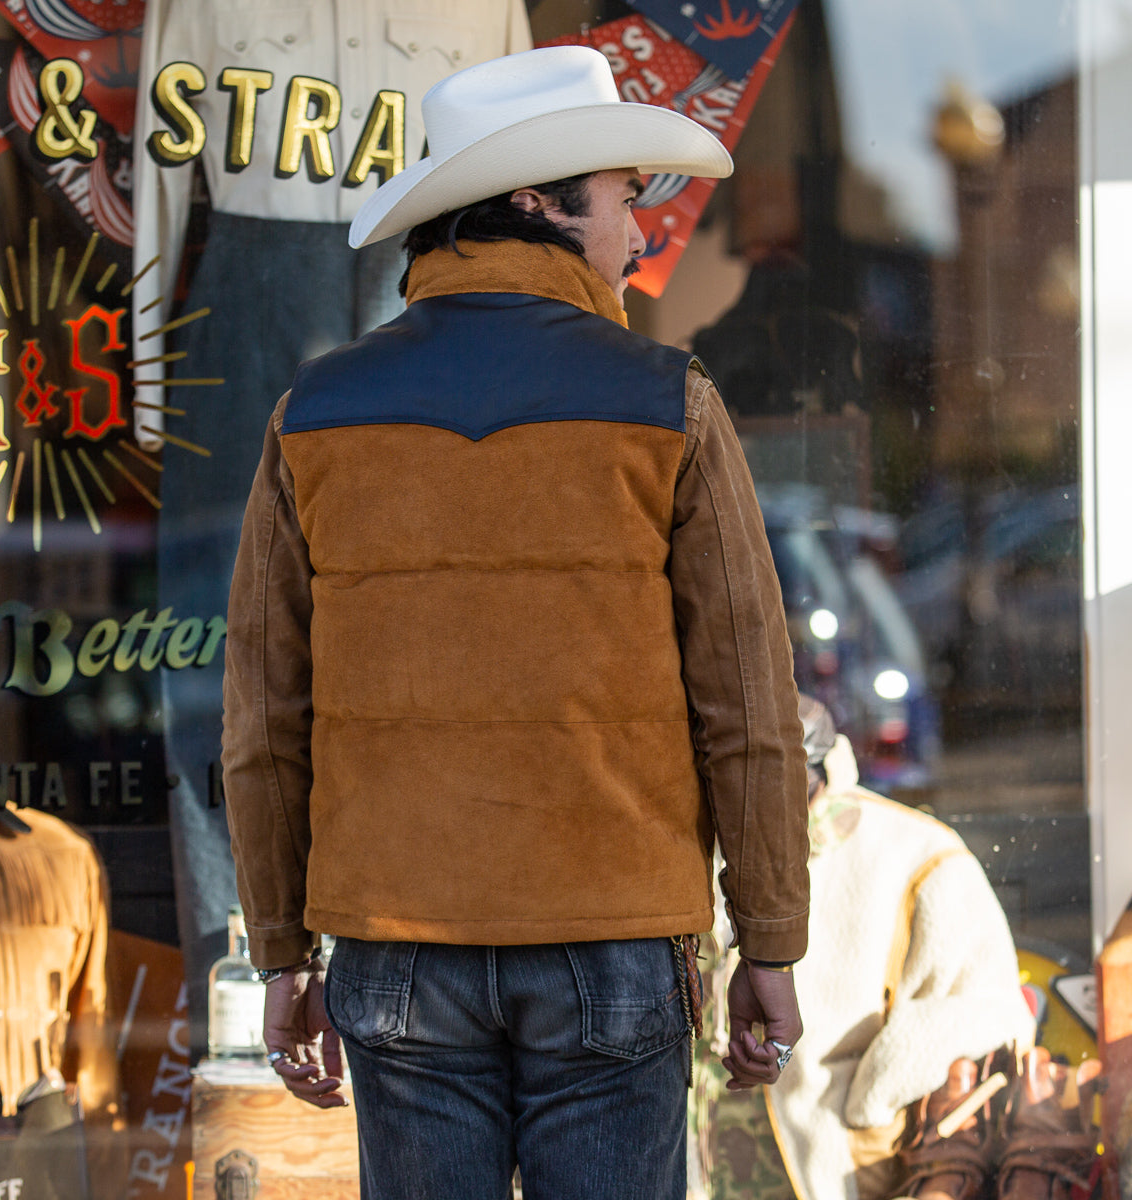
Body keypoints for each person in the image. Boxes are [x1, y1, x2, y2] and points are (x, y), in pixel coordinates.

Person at [221, 45, 810, 1200]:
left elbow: (264, 724)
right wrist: (773, 943)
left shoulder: (315, 415)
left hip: (396, 946)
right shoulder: (666, 401)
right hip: (613, 933)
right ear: (539, 205)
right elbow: (748, 704)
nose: (639, 236)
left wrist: (282, 954)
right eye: (624, 201)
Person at [688, 695, 1038, 1200]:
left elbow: (993, 1017)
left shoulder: (916, 856)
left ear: (815, 765)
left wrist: (876, 1099)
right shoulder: (684, 848)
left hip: (835, 1176)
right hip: (689, 1167)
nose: (744, 798)